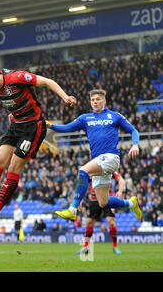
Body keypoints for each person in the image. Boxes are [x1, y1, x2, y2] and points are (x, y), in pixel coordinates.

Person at [0, 66, 76, 225]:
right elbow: (15, 100)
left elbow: (47, 81)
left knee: (13, 167)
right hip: (16, 125)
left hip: (33, 127)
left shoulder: (17, 77)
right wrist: (14, 113)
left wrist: (65, 97)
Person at [47, 89, 142, 222]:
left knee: (83, 171)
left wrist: (135, 144)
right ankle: (132, 204)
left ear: (104, 101)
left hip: (111, 157)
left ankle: (72, 210)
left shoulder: (115, 116)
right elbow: (67, 128)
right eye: (92, 100)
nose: (95, 102)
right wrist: (50, 126)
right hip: (98, 161)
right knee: (103, 202)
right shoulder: (85, 118)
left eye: (98, 99)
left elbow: (133, 130)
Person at [77, 173, 125, 255]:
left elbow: (121, 179)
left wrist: (120, 191)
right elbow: (83, 184)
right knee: (89, 223)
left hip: (107, 198)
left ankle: (115, 246)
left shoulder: (109, 167)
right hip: (94, 200)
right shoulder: (91, 170)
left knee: (111, 222)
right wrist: (80, 198)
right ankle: (86, 247)